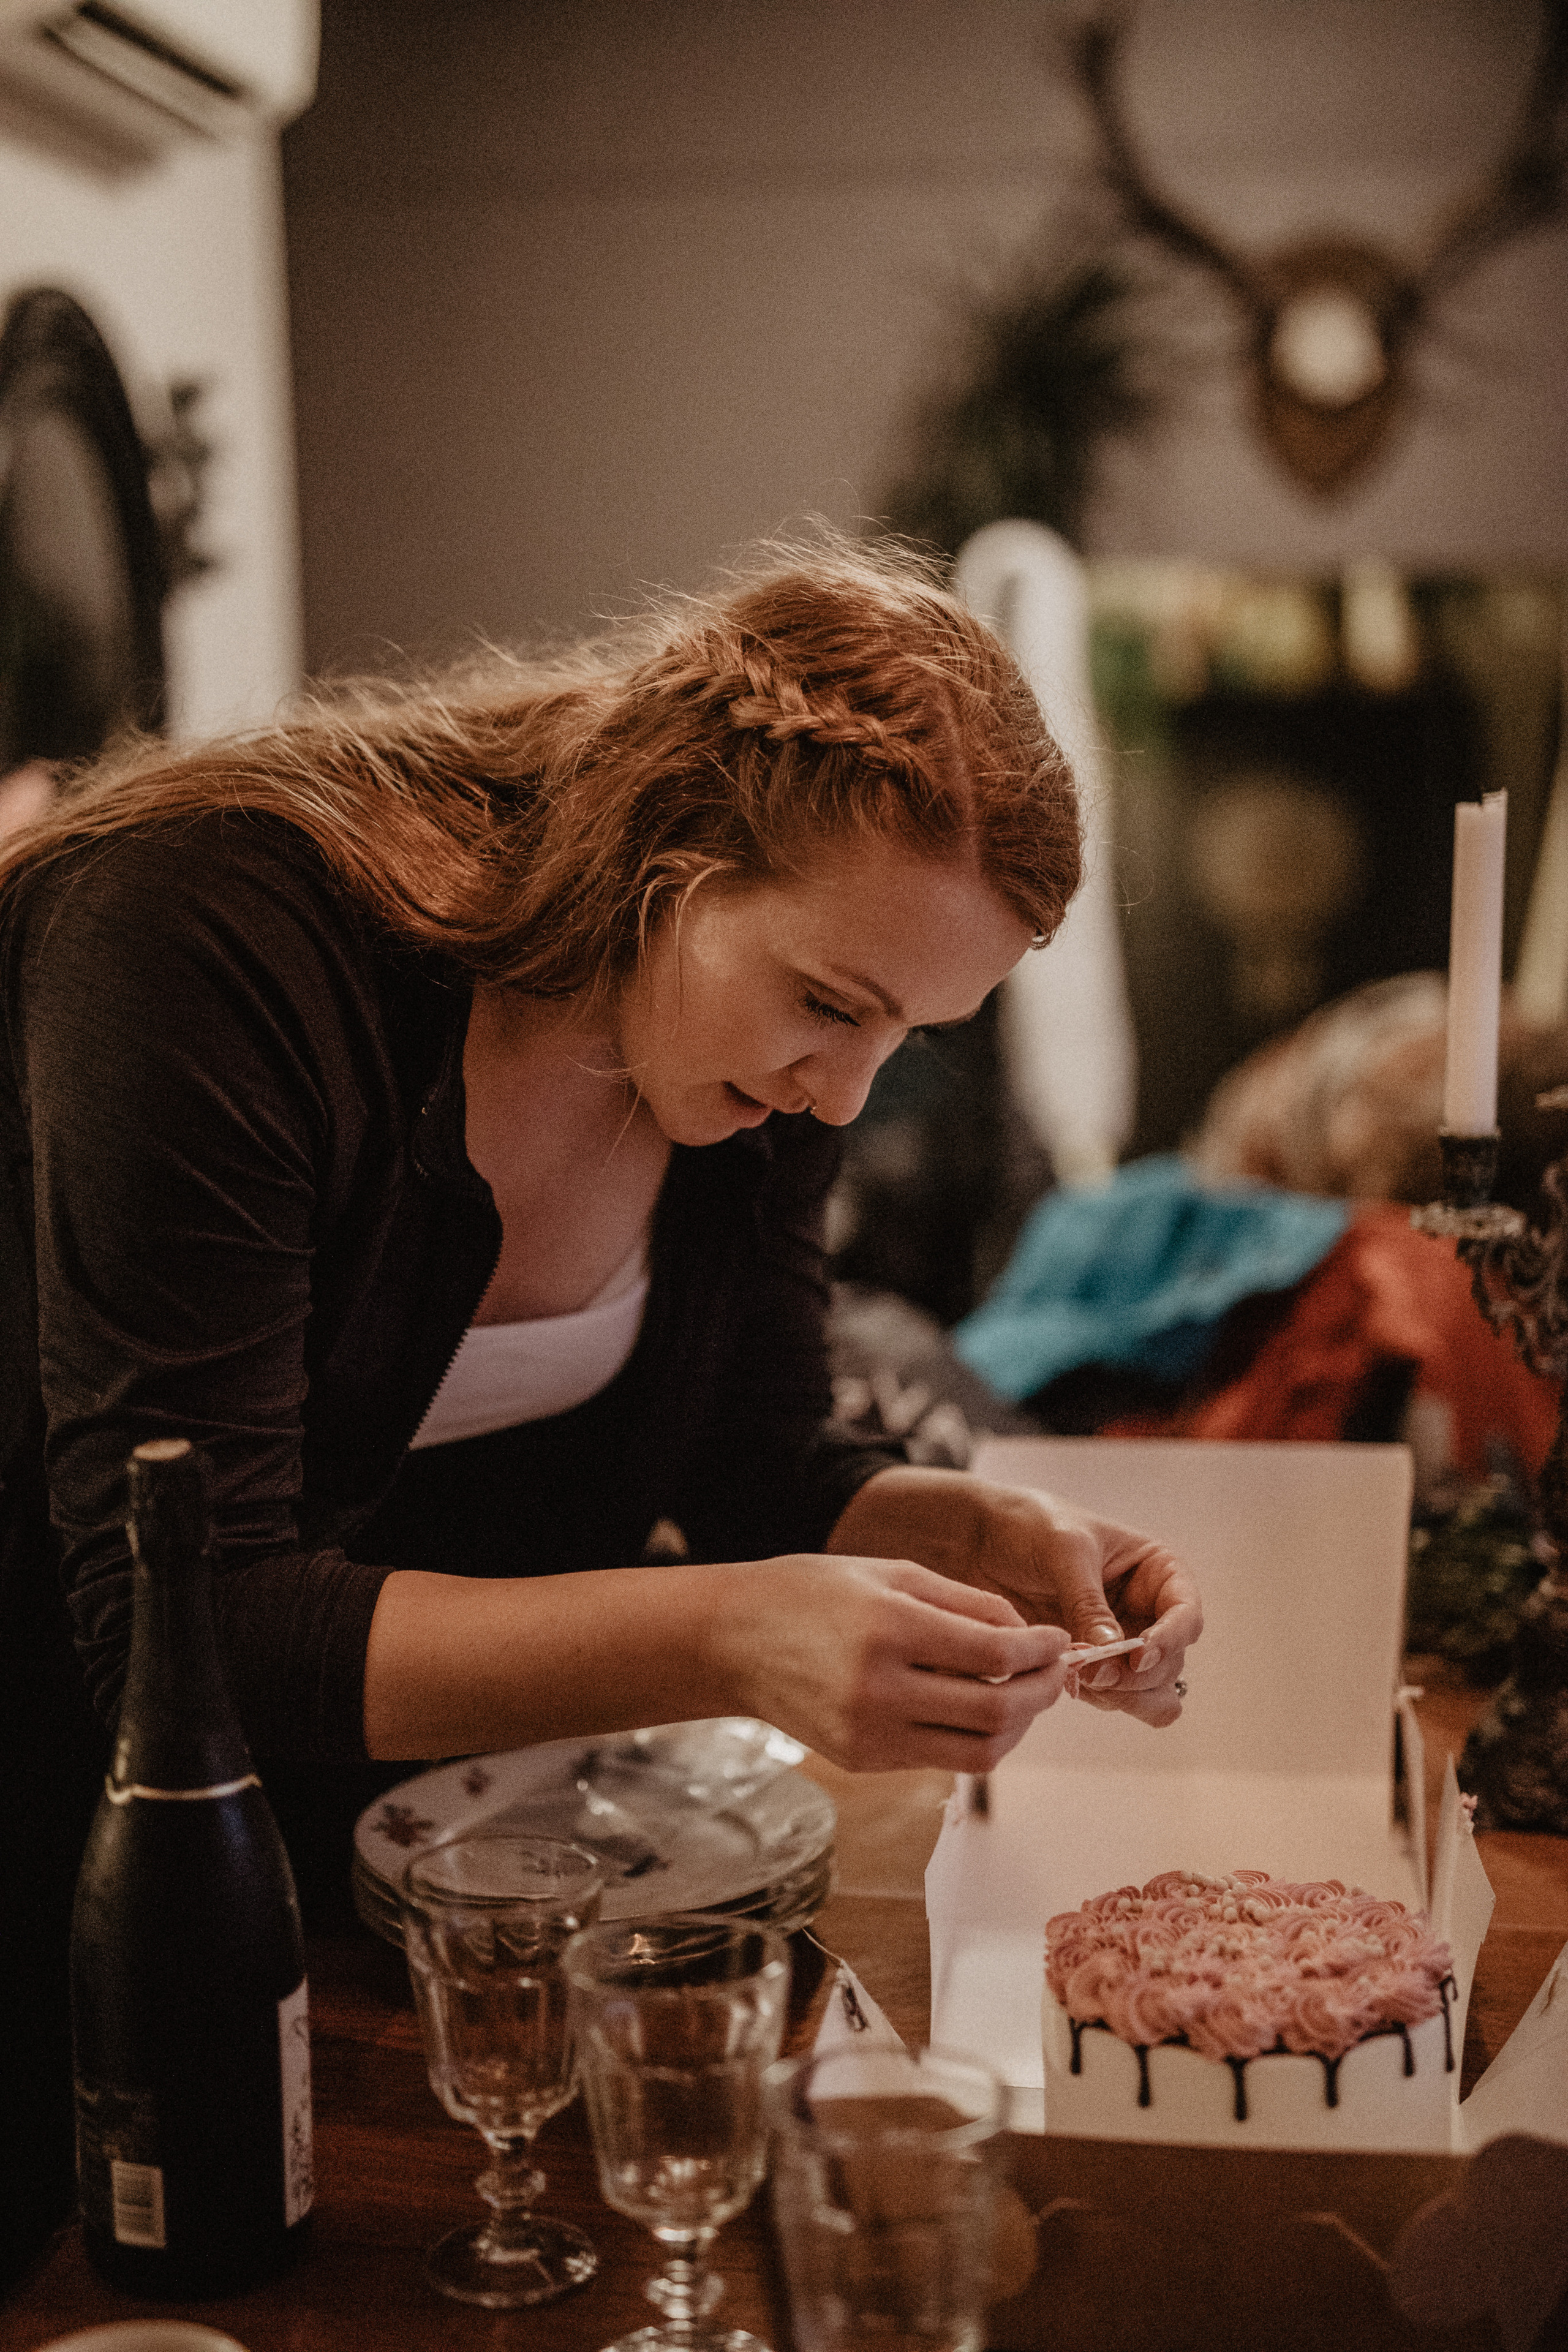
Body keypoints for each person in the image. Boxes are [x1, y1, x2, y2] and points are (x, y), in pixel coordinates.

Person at [0, 533, 1199, 2257]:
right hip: (72, 1888)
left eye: (902, 1041)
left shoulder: (749, 1081)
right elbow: (186, 1628)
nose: (846, 1099)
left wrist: (983, 1531)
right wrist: (722, 1636)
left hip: (403, 1921)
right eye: (827, 1006)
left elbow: (758, 1456)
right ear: (667, 857)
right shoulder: (210, 935)